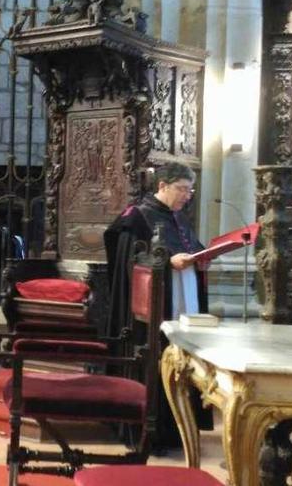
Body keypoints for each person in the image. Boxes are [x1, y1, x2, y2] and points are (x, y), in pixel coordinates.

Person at [102, 162, 211, 449]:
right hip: (150, 314)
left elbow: (192, 248)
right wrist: (164, 262)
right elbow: (130, 260)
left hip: (183, 301)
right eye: (182, 189)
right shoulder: (136, 217)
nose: (187, 196)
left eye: (190, 190)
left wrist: (201, 257)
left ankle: (178, 429)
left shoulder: (180, 218)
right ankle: (148, 430)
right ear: (162, 186)